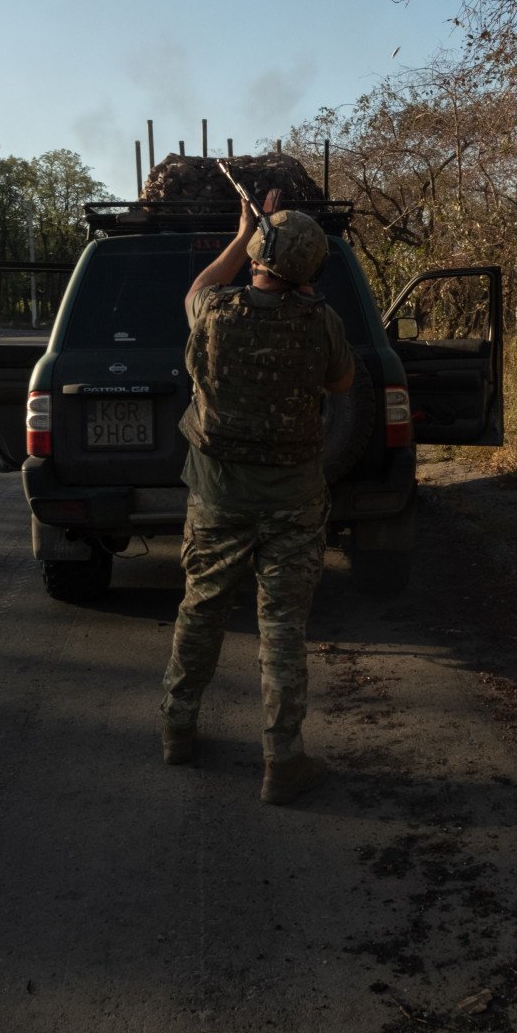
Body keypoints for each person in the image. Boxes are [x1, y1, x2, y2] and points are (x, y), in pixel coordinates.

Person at [159, 185, 355, 806]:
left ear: (258, 256)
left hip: (218, 496)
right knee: (282, 630)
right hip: (294, 500)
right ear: (311, 268)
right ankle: (282, 761)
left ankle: (177, 729)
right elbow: (344, 379)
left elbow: (197, 287)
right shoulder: (322, 321)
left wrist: (244, 232)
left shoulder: (214, 311)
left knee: (201, 610)